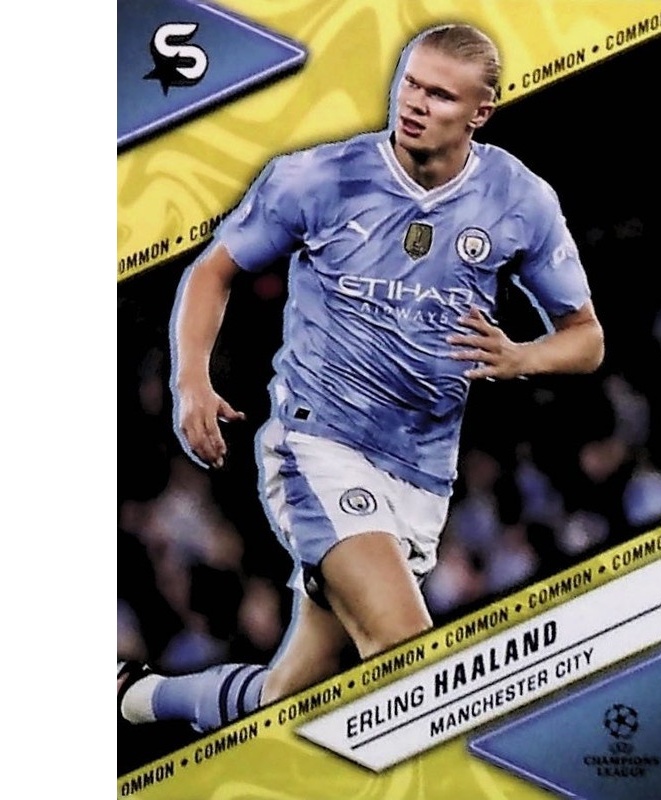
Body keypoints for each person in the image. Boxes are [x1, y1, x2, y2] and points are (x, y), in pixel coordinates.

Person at [118, 22, 604, 734]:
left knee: (289, 700)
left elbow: (586, 338)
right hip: (318, 445)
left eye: (440, 95)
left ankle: (142, 698)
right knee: (409, 655)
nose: (414, 103)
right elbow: (213, 271)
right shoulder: (319, 178)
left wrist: (521, 356)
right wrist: (191, 380)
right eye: (410, 83)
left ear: (481, 112)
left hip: (422, 476)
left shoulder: (518, 198)